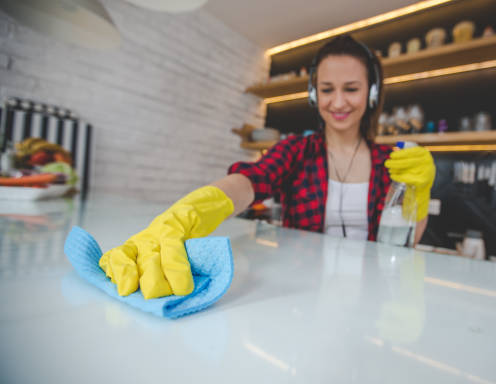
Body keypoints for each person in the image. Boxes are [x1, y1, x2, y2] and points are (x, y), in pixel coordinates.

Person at [99, 35, 436, 300]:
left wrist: (419, 192)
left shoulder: (391, 162)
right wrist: (188, 213)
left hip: (370, 293)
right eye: (326, 90)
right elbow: (250, 181)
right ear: (312, 94)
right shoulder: (296, 151)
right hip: (300, 291)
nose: (338, 102)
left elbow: (406, 245)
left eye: (351, 89)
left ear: (372, 93)